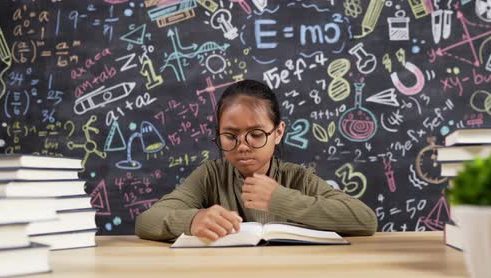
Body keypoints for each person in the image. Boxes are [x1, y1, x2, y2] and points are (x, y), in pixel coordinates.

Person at [135, 79, 377, 241]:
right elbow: (146, 221)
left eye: (257, 135)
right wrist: (192, 220)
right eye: (230, 136)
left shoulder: (297, 178)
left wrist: (281, 199)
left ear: (278, 132)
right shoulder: (211, 175)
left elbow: (365, 220)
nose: (242, 146)